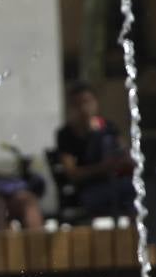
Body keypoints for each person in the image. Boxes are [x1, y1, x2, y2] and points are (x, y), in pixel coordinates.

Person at [54, 82, 134, 218]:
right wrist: (102, 168)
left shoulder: (108, 127)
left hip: (115, 182)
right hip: (89, 190)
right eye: (78, 104)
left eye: (87, 102)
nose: (84, 108)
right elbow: (72, 173)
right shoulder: (66, 135)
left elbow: (125, 152)